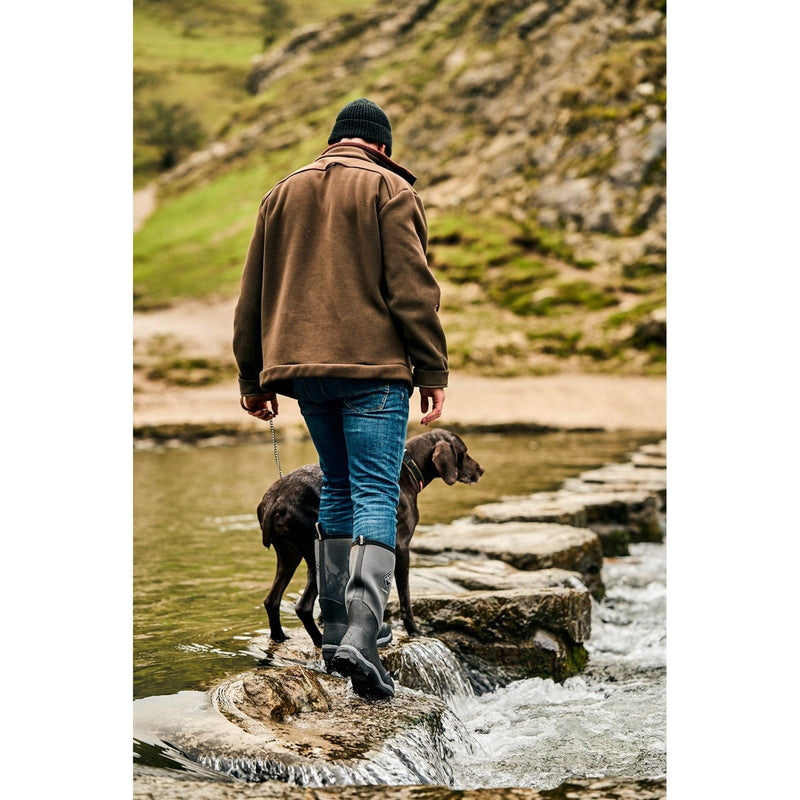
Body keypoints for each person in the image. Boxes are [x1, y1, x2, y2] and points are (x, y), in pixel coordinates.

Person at [232, 98, 448, 699]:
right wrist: (432, 368)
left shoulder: (280, 194)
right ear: (381, 147)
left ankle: (332, 635)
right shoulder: (390, 189)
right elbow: (413, 291)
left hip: (303, 373)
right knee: (377, 490)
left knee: (338, 487)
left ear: (334, 141)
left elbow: (251, 296)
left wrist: (253, 379)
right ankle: (362, 636)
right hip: (373, 369)